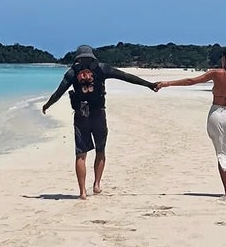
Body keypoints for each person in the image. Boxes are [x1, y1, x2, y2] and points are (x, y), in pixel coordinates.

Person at [42, 44, 157, 199]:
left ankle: (82, 192)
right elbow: (126, 77)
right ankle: (96, 184)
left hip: (81, 116)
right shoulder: (102, 69)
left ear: (78, 58)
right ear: (92, 56)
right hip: (98, 115)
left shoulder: (72, 73)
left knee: (80, 154)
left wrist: (47, 105)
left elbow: (58, 93)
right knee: (100, 150)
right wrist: (149, 85)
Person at [156, 46, 226, 197]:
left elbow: (191, 80)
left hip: (215, 114)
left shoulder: (215, 73)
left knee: (220, 152)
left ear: (225, 59)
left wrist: (167, 83)